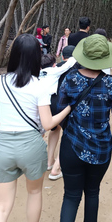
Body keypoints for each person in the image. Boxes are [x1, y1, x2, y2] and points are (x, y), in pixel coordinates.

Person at [0, 34, 72, 222]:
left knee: (1, 208)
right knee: (34, 193)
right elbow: (48, 124)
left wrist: (13, 120)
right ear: (36, 56)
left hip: (4, 146)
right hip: (31, 146)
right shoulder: (39, 86)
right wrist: (68, 108)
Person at [57, 34, 112, 222]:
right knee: (92, 193)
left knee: (71, 196)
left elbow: (60, 111)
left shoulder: (70, 79)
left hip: (71, 146)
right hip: (101, 148)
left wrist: (72, 130)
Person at [41, 46, 76, 181]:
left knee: (54, 130)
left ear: (62, 56)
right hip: (64, 104)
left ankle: (49, 162)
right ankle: (56, 167)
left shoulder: (45, 71)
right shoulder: (72, 67)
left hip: (48, 104)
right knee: (69, 134)